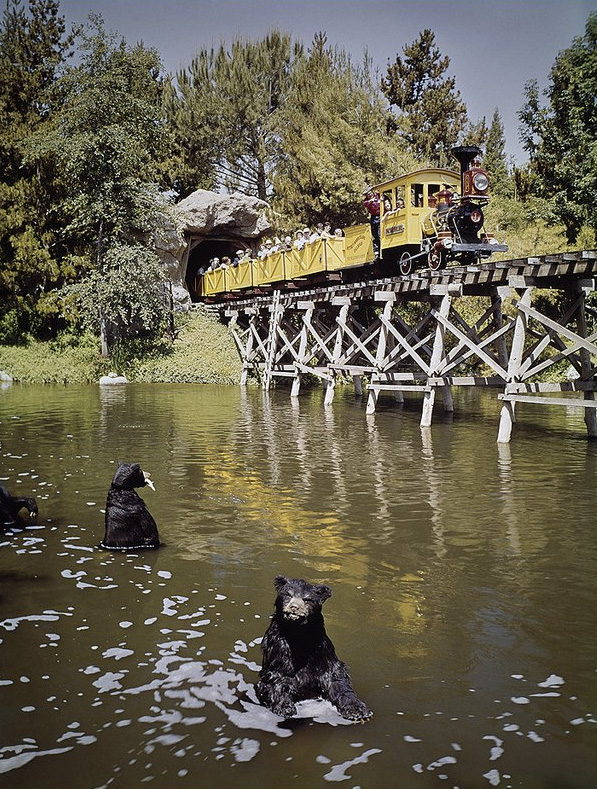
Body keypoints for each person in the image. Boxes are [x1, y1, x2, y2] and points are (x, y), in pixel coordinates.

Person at [363, 187, 381, 259]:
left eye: (370, 193)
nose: (370, 195)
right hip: (374, 218)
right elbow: (366, 204)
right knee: (375, 235)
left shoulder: (378, 196)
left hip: (380, 216)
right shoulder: (366, 201)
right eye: (368, 194)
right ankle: (376, 251)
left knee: (379, 235)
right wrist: (371, 201)